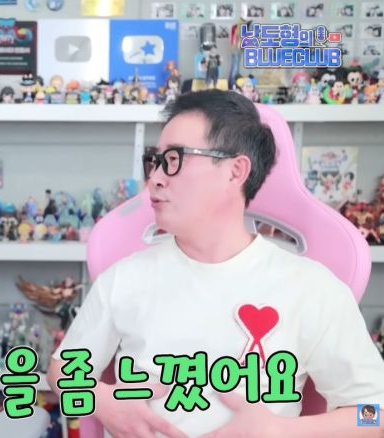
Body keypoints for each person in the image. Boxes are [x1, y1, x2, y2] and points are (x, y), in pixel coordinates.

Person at [48, 90, 384, 437]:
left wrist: (281, 431)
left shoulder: (312, 288)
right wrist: (100, 401)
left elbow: (375, 416)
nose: (155, 178)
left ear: (236, 171)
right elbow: (61, 370)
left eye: (174, 159)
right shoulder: (125, 278)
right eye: (155, 161)